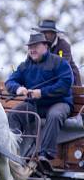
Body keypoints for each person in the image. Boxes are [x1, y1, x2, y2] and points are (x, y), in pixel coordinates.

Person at [5, 32, 74, 167]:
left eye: (35, 46)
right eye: (30, 47)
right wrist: (18, 89)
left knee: (55, 115)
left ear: (45, 46)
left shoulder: (59, 62)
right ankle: (14, 153)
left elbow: (65, 84)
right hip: (35, 105)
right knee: (14, 114)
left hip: (60, 103)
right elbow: (10, 81)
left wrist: (42, 93)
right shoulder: (24, 66)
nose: (32, 49)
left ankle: (44, 155)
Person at [33, 19, 81, 86]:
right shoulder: (39, 46)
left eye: (46, 32)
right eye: (42, 32)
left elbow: (63, 66)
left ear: (53, 33)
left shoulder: (64, 45)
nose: (44, 35)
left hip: (70, 82)